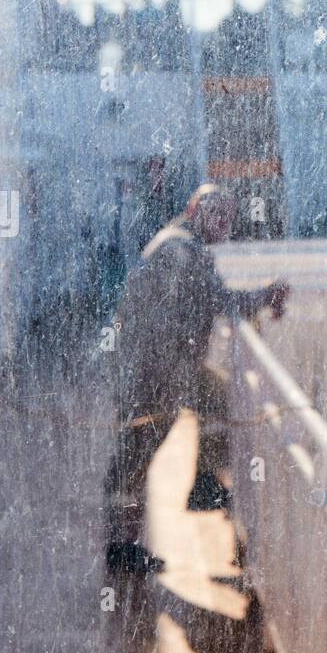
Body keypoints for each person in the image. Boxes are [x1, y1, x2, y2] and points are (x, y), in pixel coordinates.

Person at [103, 183, 288, 573]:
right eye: (215, 213)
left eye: (228, 216)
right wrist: (266, 294)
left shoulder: (181, 246)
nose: (223, 223)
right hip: (152, 375)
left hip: (155, 370)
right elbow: (219, 301)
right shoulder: (181, 252)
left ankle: (199, 488)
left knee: (208, 406)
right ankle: (122, 549)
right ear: (193, 210)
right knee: (133, 459)